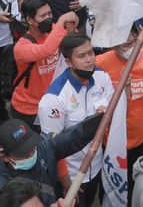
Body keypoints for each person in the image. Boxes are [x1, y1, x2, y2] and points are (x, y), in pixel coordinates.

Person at [37, 32, 112, 205]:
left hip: (97, 166)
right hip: (71, 176)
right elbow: (51, 149)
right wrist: (66, 184)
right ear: (68, 62)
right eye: (82, 56)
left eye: (91, 53)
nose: (89, 60)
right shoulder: (54, 99)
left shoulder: (102, 77)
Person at [95, 21, 143, 188]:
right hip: (111, 140)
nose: (129, 48)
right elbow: (97, 102)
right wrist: (122, 89)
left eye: (132, 42)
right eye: (123, 45)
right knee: (111, 189)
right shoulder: (100, 64)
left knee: (139, 186)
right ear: (112, 46)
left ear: (139, 37)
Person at [0, 116, 104, 207]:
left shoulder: (43, 148)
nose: (31, 154)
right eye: (23, 153)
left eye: (31, 146)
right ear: (5, 157)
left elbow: (72, 137)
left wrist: (102, 118)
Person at [10, 0, 76, 128]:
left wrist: (71, 28)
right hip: (28, 109)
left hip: (54, 102)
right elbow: (46, 50)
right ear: (29, 20)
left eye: (50, 13)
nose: (48, 18)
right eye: (43, 15)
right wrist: (62, 20)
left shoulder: (54, 33)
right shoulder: (21, 47)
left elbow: (75, 42)